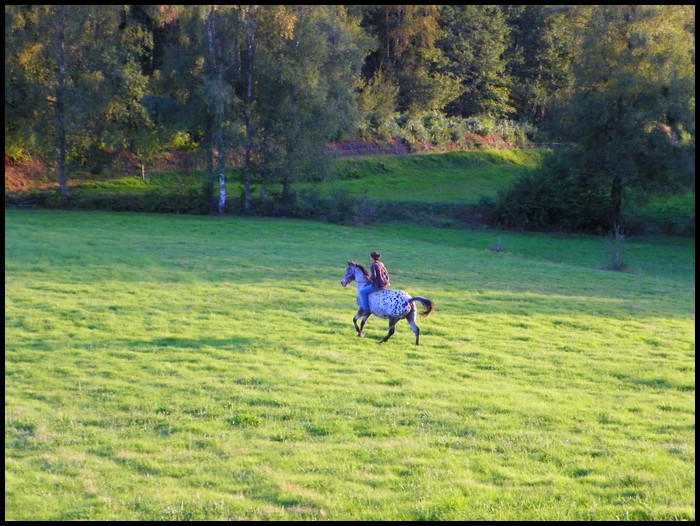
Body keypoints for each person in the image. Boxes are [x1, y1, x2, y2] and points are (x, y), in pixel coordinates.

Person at [359, 251, 391, 316]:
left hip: (378, 285)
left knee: (362, 291)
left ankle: (366, 309)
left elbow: (374, 276)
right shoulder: (381, 264)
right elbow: (385, 273)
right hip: (385, 284)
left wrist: (368, 278)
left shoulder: (373, 265)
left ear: (372, 258)